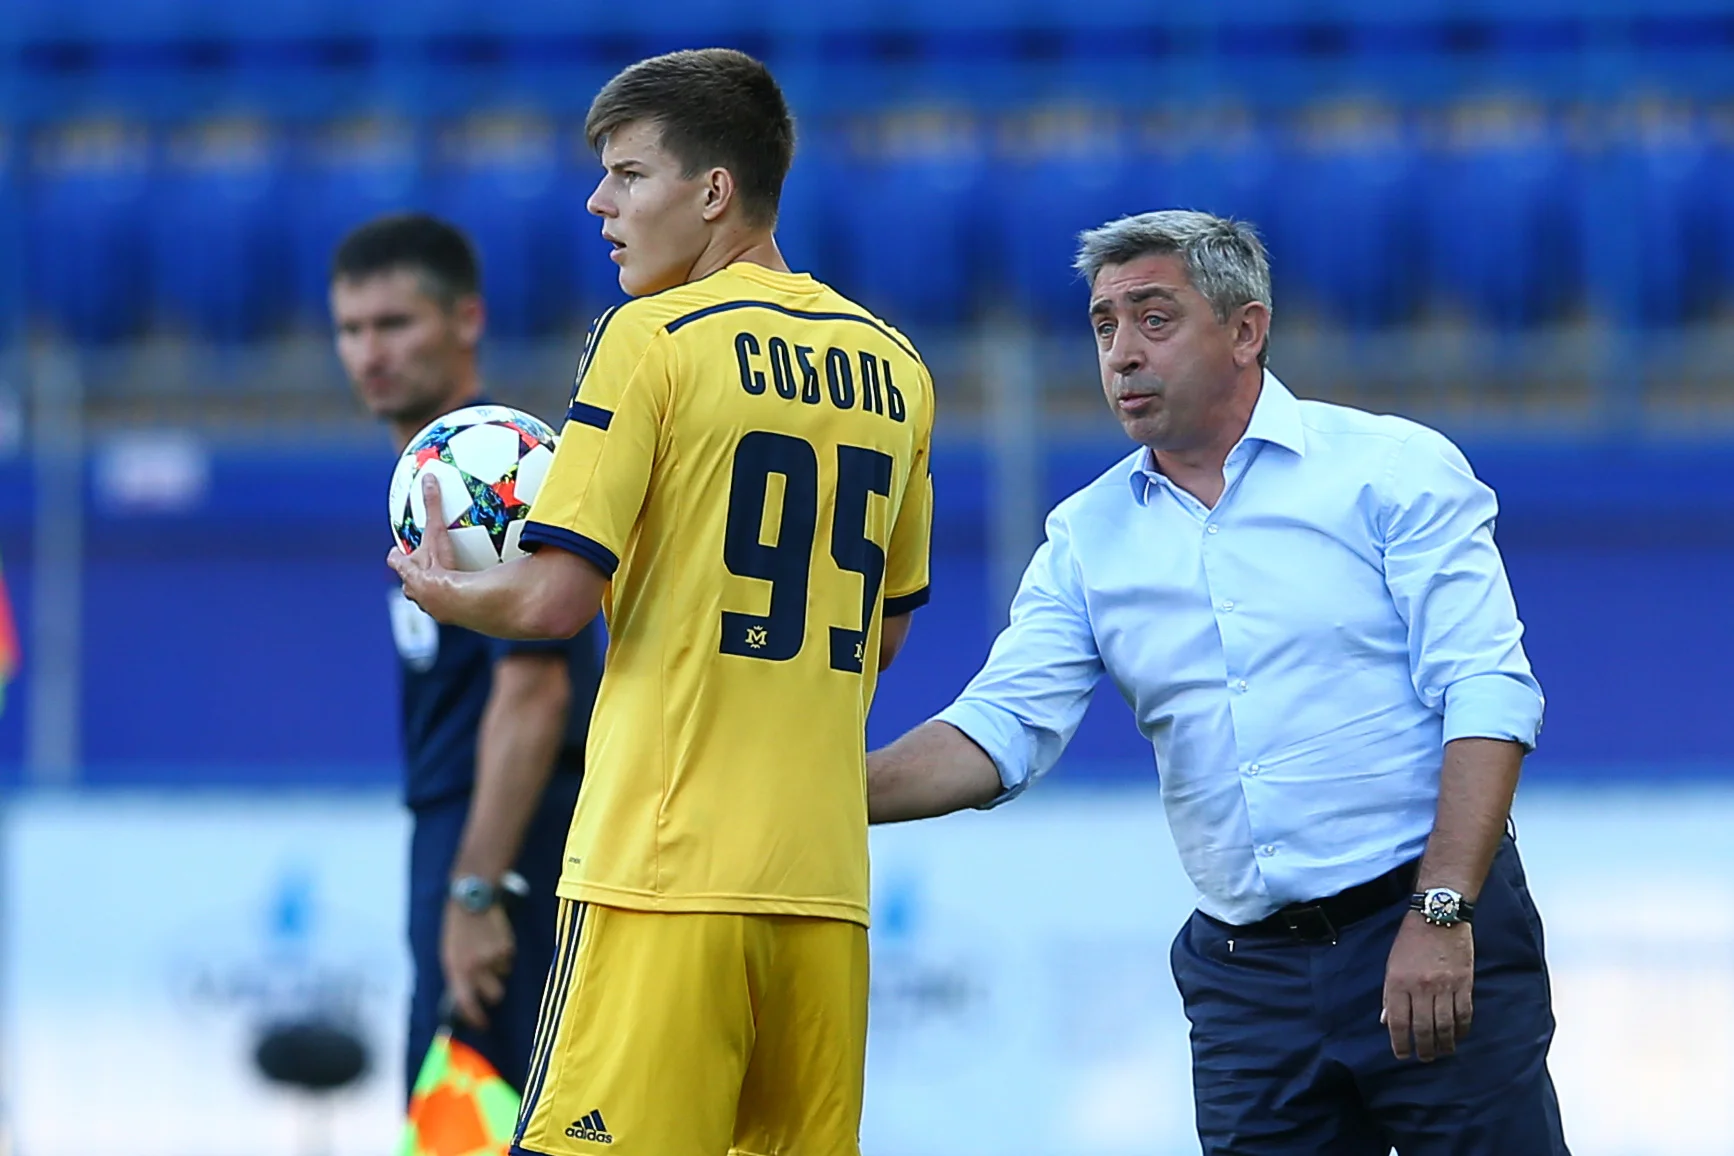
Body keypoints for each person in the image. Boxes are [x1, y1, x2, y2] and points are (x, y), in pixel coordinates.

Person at [868, 210, 1568, 1155]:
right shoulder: (1087, 535)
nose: (1122, 353)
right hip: (1248, 982)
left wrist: (1442, 912)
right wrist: (824, 791)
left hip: (1423, 918)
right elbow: (998, 731)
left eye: (1155, 319)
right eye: (1105, 325)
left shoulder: (1390, 472)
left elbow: (1487, 692)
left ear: (1247, 330)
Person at [389, 49, 935, 1156]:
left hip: (661, 873)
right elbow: (884, 631)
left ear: (714, 190)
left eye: (629, 174)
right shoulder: (898, 370)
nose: (600, 203)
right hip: (824, 893)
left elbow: (554, 602)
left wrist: (449, 591)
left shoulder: (648, 338)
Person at [329, 213, 604, 1099]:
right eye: (350, 329)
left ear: (467, 320)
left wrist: (476, 891)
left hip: (514, 846)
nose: (370, 352)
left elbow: (534, 691)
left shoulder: (498, 480)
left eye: (394, 323)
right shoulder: (424, 481)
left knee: (486, 1117)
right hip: (464, 838)